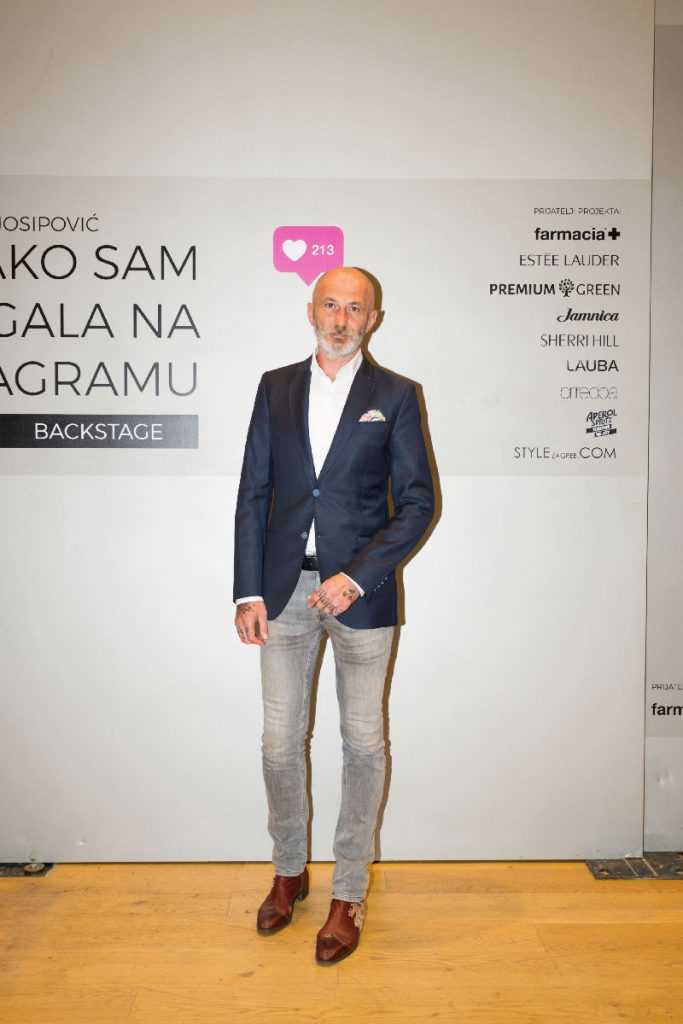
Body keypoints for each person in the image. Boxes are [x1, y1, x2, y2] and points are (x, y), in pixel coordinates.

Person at [233, 265, 435, 964]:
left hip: (362, 595)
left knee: (363, 744)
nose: (342, 319)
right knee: (278, 743)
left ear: (372, 319)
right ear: (310, 310)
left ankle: (348, 891)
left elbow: (418, 503)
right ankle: (289, 871)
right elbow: (254, 491)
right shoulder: (275, 387)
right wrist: (247, 590)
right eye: (331, 305)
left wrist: (356, 576)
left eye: (355, 308)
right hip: (283, 590)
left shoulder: (396, 395)